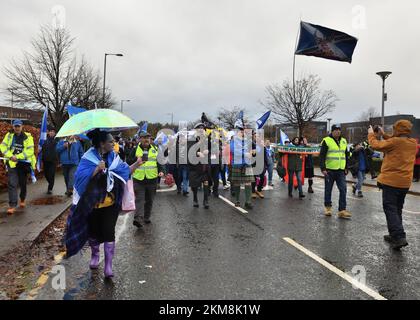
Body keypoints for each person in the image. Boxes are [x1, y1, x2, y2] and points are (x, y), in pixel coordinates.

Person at [64, 129, 143, 278]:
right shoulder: (88, 158)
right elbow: (80, 180)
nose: (114, 143)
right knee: (93, 232)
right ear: (101, 143)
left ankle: (108, 266)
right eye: (110, 141)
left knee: (108, 231)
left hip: (110, 204)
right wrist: (96, 170)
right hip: (92, 205)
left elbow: (125, 172)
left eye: (113, 141)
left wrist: (137, 164)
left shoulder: (114, 157)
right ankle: (95, 255)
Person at [368, 121, 417, 250]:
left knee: (390, 208)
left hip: (391, 181)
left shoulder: (395, 142)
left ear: (398, 129)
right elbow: (395, 141)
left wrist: (371, 135)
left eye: (394, 128)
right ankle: (393, 234)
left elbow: (376, 145)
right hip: (405, 182)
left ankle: (399, 236)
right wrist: (384, 134)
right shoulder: (412, 143)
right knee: (397, 208)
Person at [0, 119, 36, 215]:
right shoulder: (9, 136)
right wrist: (11, 156)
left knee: (22, 183)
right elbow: (3, 147)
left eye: (18, 126)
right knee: (12, 183)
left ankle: (22, 199)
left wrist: (18, 157)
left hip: (23, 164)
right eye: (15, 126)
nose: (17, 128)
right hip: (12, 164)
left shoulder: (28, 137)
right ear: (13, 127)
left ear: (21, 127)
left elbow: (30, 151)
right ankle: (12, 205)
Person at [132, 131, 165, 228]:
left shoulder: (155, 149)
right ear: (140, 139)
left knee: (149, 200)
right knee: (139, 200)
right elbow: (128, 161)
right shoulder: (135, 150)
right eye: (144, 137)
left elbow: (160, 162)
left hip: (152, 179)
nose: (146, 139)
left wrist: (162, 171)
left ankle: (146, 217)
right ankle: (138, 218)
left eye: (148, 137)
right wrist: (136, 161)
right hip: (139, 179)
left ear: (150, 139)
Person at [319, 125, 351, 218]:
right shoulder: (326, 140)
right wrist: (323, 168)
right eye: (336, 130)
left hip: (341, 170)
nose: (338, 132)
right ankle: (328, 208)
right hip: (329, 170)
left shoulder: (344, 141)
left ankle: (342, 210)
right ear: (332, 131)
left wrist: (346, 167)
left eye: (339, 130)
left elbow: (346, 155)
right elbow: (322, 156)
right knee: (328, 189)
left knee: (343, 189)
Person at [229, 124, 254, 209]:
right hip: (237, 164)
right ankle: (237, 200)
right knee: (237, 182)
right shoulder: (234, 141)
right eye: (240, 131)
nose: (242, 132)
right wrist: (244, 153)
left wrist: (252, 152)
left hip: (247, 164)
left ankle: (248, 201)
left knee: (248, 182)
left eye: (243, 130)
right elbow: (233, 150)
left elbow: (252, 149)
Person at [188, 123, 212, 208]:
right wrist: (197, 153)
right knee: (195, 185)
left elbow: (212, 148)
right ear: (196, 130)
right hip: (194, 166)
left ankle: (206, 201)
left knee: (206, 182)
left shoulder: (207, 139)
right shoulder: (191, 139)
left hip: (204, 166)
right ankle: (195, 199)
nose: (201, 130)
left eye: (203, 129)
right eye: (199, 129)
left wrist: (208, 151)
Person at [42, 127, 58, 194]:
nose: (51, 132)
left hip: (53, 161)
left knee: (51, 175)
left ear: (55, 133)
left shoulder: (57, 140)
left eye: (53, 131)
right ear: (48, 132)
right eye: (50, 131)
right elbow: (41, 147)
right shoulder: (44, 140)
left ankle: (50, 188)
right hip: (45, 160)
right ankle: (50, 183)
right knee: (46, 175)